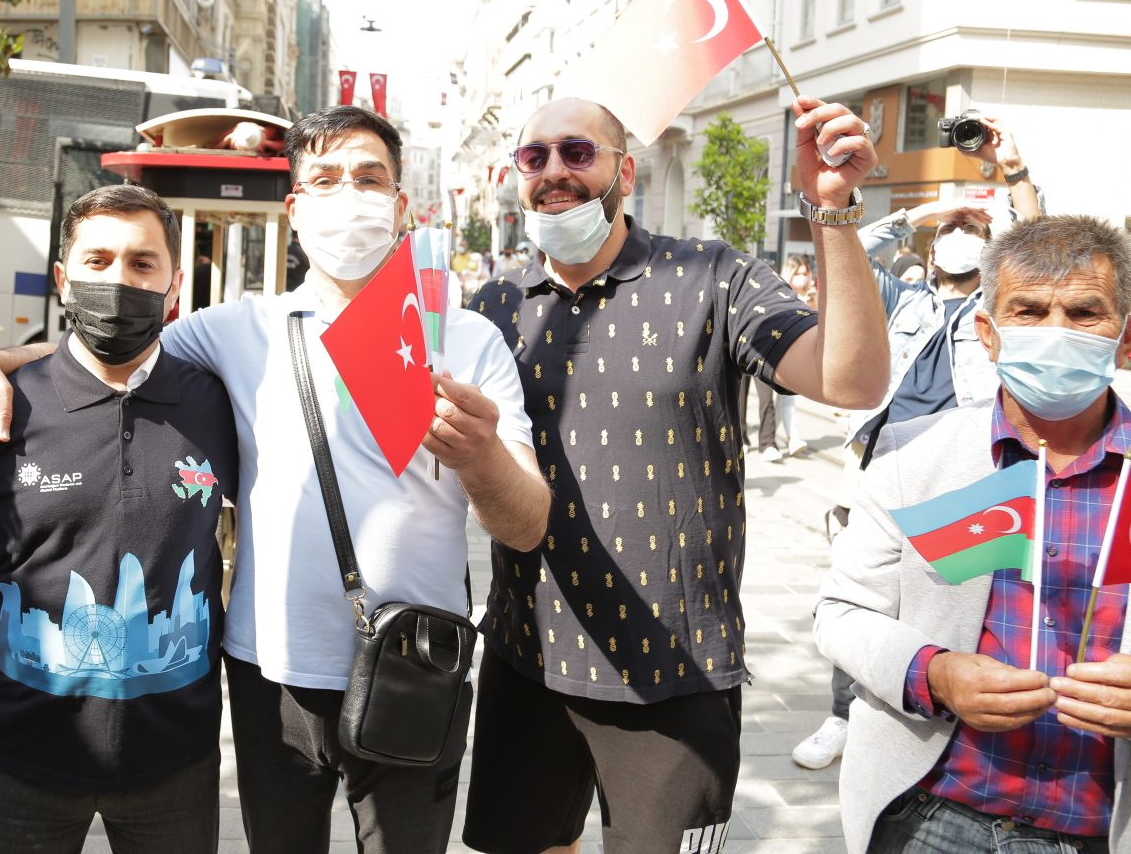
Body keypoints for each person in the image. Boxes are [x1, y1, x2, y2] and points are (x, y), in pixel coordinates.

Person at [0, 105, 551, 854]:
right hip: (271, 677)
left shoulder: (465, 339)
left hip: (416, 665)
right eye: (325, 179)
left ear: (400, 206)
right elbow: (109, 352)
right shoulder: (233, 330)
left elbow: (526, 526)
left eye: (368, 179)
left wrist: (481, 456)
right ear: (295, 209)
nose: (347, 195)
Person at [461, 95, 891, 854]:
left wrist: (832, 212)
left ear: (626, 172)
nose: (554, 171)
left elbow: (851, 381)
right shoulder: (493, 305)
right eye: (535, 157)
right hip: (526, 654)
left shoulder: (713, 276)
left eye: (577, 152)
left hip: (674, 667)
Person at [0, 184, 239, 852]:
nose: (119, 281)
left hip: (177, 764)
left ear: (174, 286)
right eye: (98, 260)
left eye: (143, 263)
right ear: (62, 278)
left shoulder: (220, 406)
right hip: (21, 761)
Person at [816, 214, 1131, 853]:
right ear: (987, 333)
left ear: (1126, 340)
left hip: (1102, 827)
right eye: (1029, 312)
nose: (1056, 332)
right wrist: (935, 674)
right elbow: (843, 613)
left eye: (1084, 313)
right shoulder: (917, 457)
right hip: (933, 812)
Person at [794, 116, 1043, 770]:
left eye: (973, 233)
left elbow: (1041, 243)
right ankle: (843, 716)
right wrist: (928, 213)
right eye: (951, 234)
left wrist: (1009, 182)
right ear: (931, 252)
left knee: (955, 599)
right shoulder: (901, 301)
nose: (960, 237)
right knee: (862, 594)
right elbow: (848, 245)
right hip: (881, 467)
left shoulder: (998, 313)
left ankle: (951, 729)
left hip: (967, 475)